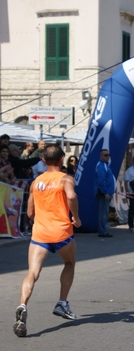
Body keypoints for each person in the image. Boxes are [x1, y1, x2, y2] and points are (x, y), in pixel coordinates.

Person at [13, 144, 81, 337]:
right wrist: (76, 217)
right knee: (69, 262)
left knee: (32, 273)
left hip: (40, 234)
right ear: (61, 160)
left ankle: (22, 304)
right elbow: (71, 195)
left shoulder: (36, 182)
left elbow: (30, 212)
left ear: (43, 160)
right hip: (61, 233)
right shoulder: (66, 178)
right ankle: (62, 303)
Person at [94, 149, 115, 237]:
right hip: (103, 193)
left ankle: (103, 230)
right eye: (105, 155)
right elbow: (101, 180)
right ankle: (102, 231)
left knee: (104, 212)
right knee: (103, 212)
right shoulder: (101, 166)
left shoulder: (106, 165)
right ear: (101, 156)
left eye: (108, 155)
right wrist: (105, 192)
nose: (107, 157)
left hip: (106, 192)